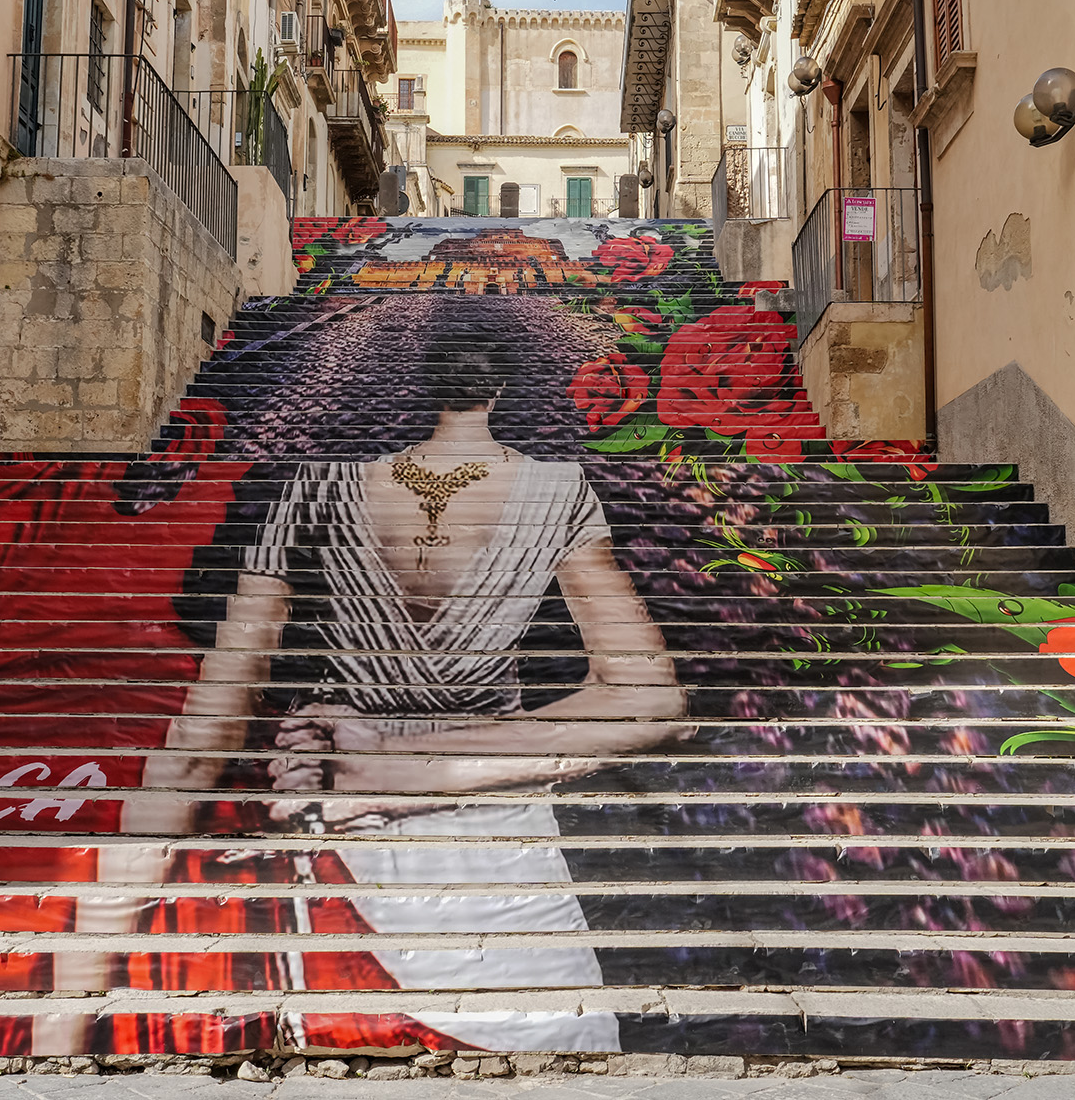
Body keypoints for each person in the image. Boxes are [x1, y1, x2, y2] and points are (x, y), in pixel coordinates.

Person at [41, 328, 686, 1055]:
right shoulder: (559, 490)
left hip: (337, 816)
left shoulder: (317, 486)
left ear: (420, 389)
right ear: (501, 392)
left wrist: (80, 983)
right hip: (496, 829)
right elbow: (648, 698)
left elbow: (206, 730)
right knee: (545, 1052)